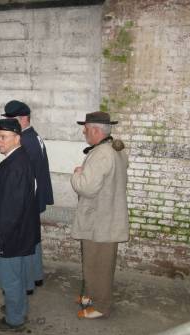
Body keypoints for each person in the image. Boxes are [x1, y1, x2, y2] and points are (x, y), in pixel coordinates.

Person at [0, 118, 40, 332]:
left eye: (3, 137)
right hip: (20, 233)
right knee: (17, 275)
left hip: (10, 236)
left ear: (17, 138)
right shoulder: (19, 159)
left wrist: (0, 239)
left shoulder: (15, 166)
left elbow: (10, 210)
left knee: (9, 279)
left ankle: (14, 320)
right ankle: (18, 308)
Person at [70, 111, 129, 319]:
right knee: (93, 260)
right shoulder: (115, 148)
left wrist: (77, 173)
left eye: (86, 129)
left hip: (101, 219)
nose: (84, 132)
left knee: (100, 264)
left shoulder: (102, 153)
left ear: (95, 130)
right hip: (105, 216)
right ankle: (90, 295)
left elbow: (86, 188)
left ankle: (101, 305)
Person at [2, 100, 54, 293]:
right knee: (33, 238)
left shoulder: (25, 140)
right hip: (35, 196)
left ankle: (27, 283)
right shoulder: (33, 136)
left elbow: (25, 177)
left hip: (28, 200)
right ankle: (36, 275)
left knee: (24, 241)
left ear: (23, 118)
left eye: (11, 119)